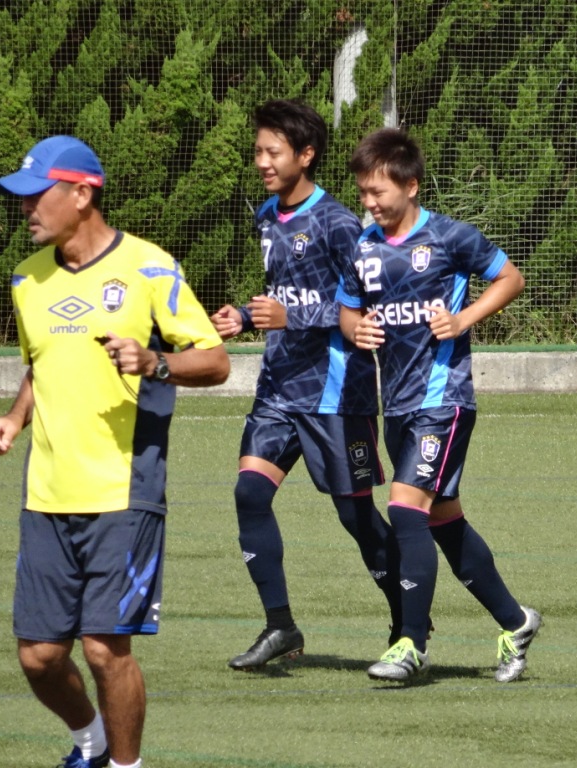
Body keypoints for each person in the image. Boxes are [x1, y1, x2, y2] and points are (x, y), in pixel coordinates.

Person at [0, 136, 229, 768]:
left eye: (36, 196)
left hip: (125, 490)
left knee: (103, 648)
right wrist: (14, 418)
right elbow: (40, 366)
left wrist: (155, 362)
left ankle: (126, 765)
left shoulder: (150, 267)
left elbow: (216, 360)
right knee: (39, 656)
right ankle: (90, 742)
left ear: (81, 194)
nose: (26, 209)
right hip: (46, 493)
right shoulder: (27, 278)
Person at [338, 127, 541, 684]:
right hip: (398, 406)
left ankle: (410, 642)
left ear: (410, 186)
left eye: (378, 191)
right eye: (363, 192)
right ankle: (516, 621)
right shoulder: (364, 248)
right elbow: (347, 309)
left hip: (443, 401)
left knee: (405, 509)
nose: (369, 201)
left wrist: (462, 319)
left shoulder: (450, 237)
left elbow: (510, 278)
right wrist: (357, 330)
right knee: (445, 523)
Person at [210, 100, 402, 670]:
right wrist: (246, 316)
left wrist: (291, 317)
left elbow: (368, 304)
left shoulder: (339, 223)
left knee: (356, 518)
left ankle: (407, 624)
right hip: (278, 388)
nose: (262, 162)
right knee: (249, 494)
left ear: (306, 155)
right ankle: (280, 627)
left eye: (273, 152)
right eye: (258, 152)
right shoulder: (267, 215)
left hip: (334, 392)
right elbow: (283, 293)